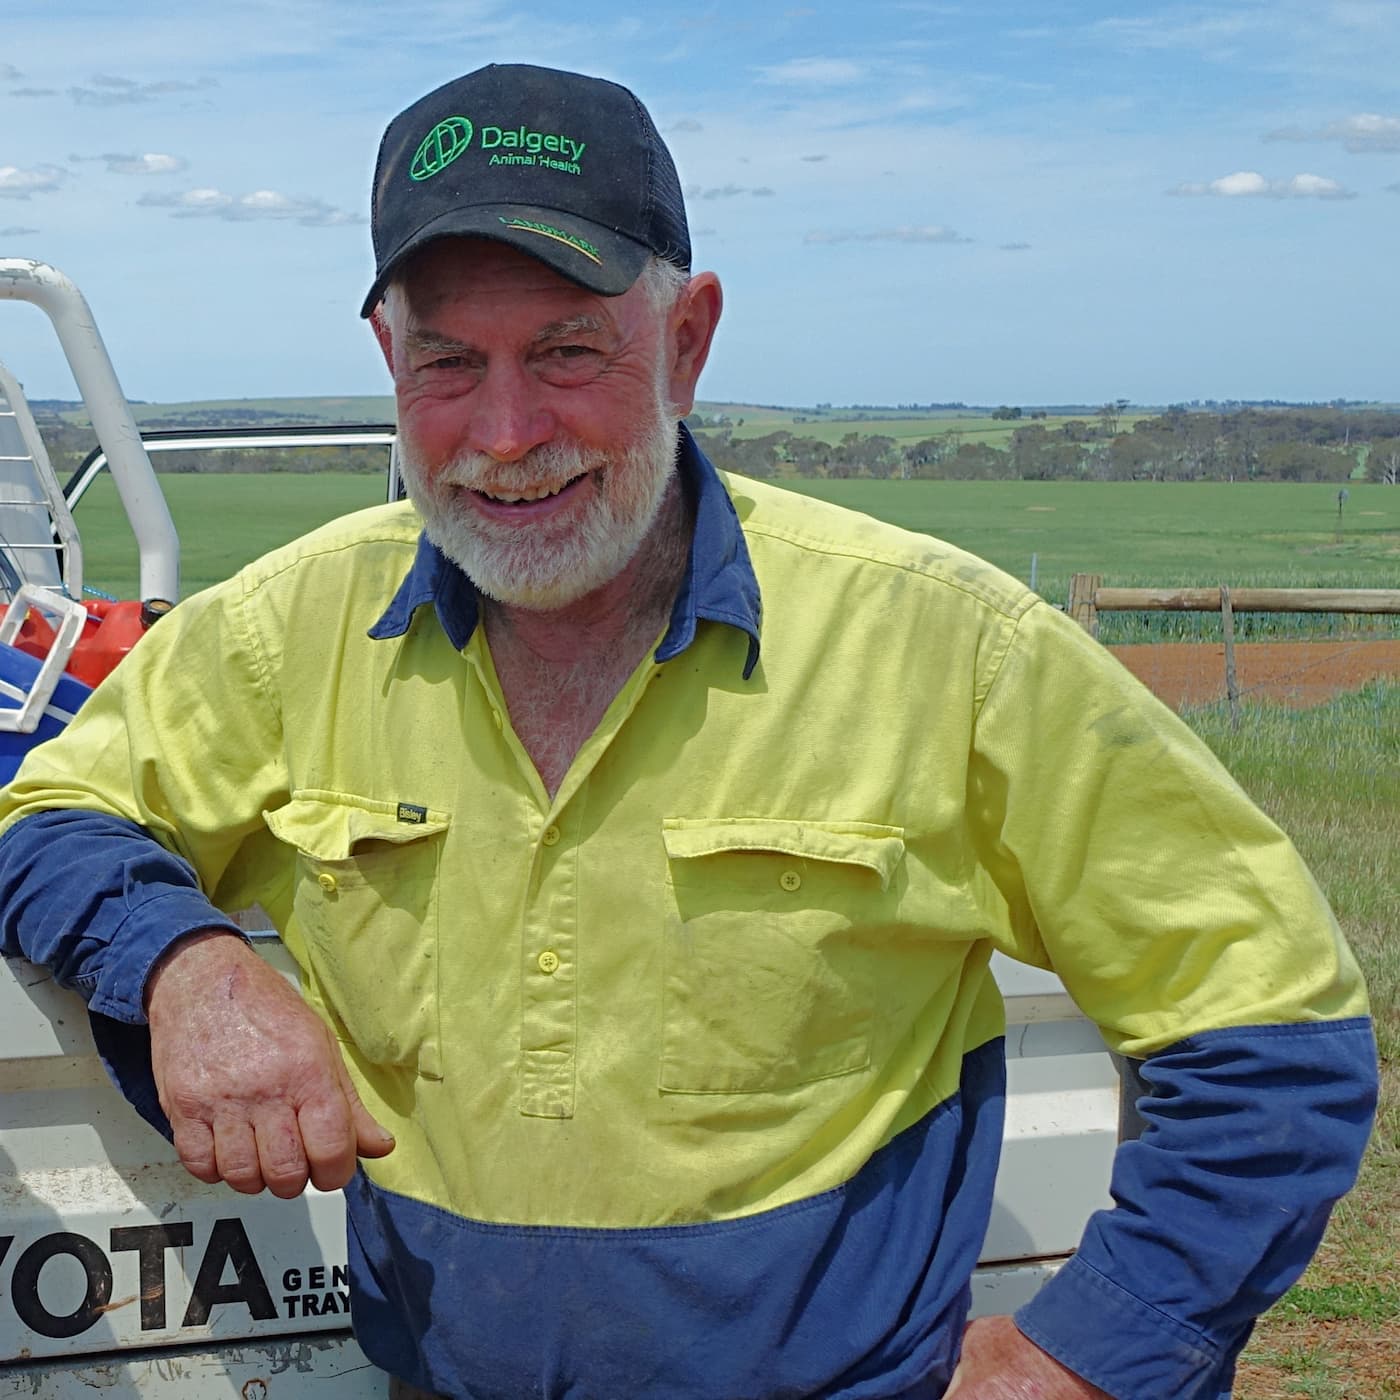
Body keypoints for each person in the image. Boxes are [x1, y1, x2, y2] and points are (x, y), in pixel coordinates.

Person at [0, 62, 1378, 1400]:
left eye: (567, 350)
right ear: (385, 358)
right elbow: (47, 813)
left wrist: (1091, 1355)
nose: (504, 431)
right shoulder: (290, 630)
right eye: (447, 362)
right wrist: (186, 965)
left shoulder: (945, 649)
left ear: (689, 342)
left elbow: (1274, 1031)